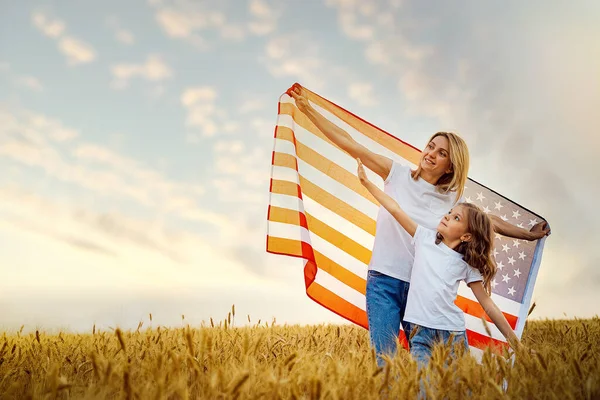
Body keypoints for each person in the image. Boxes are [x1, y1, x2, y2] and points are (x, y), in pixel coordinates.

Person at [287, 84, 550, 366]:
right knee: (385, 364)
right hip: (383, 283)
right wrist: (308, 110)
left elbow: (488, 222)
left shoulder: (452, 199)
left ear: (450, 166)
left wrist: (526, 235)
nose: (431, 154)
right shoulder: (396, 174)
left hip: (419, 291)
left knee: (424, 364)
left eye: (441, 153)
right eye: (430, 146)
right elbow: (351, 144)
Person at [357, 157, 522, 370]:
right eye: (449, 213)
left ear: (467, 236)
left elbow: (488, 304)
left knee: (456, 390)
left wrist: (516, 344)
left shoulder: (466, 264)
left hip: (451, 335)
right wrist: (367, 183)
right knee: (425, 389)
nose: (447, 216)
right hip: (420, 335)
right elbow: (396, 209)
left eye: (456, 218)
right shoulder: (424, 238)